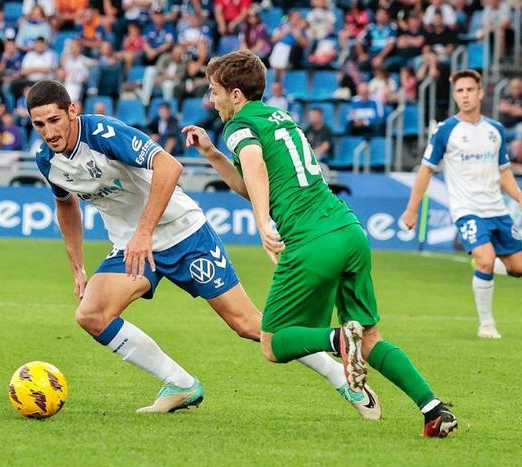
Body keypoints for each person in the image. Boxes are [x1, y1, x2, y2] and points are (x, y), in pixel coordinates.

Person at [27, 80, 376, 418]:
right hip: (132, 246)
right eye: (39, 124)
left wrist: (145, 231)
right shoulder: (47, 158)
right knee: (91, 315)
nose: (49, 132)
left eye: (55, 120)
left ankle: (342, 377)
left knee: (247, 324)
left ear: (72, 111)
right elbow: (66, 205)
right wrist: (78, 268)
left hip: (184, 233)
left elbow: (169, 165)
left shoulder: (103, 134)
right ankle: (179, 383)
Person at [183, 50, 454, 437]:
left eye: (215, 92)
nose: (212, 100)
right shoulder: (278, 118)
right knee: (371, 338)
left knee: (273, 343)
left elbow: (256, 167)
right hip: (348, 231)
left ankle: (338, 340)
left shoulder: (240, 125)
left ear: (237, 95)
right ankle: (434, 409)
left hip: (312, 241)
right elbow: (255, 184)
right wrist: (211, 154)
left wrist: (262, 223)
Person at [401, 70, 522, 340]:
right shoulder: (446, 131)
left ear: (480, 93)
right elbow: (426, 170)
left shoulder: (495, 130)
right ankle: (486, 324)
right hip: (467, 210)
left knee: (520, 269)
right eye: (459, 91)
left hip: (497, 210)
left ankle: (482, 261)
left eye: (469, 90)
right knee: (486, 261)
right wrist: (412, 208)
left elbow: (504, 171)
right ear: (455, 96)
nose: (464, 95)